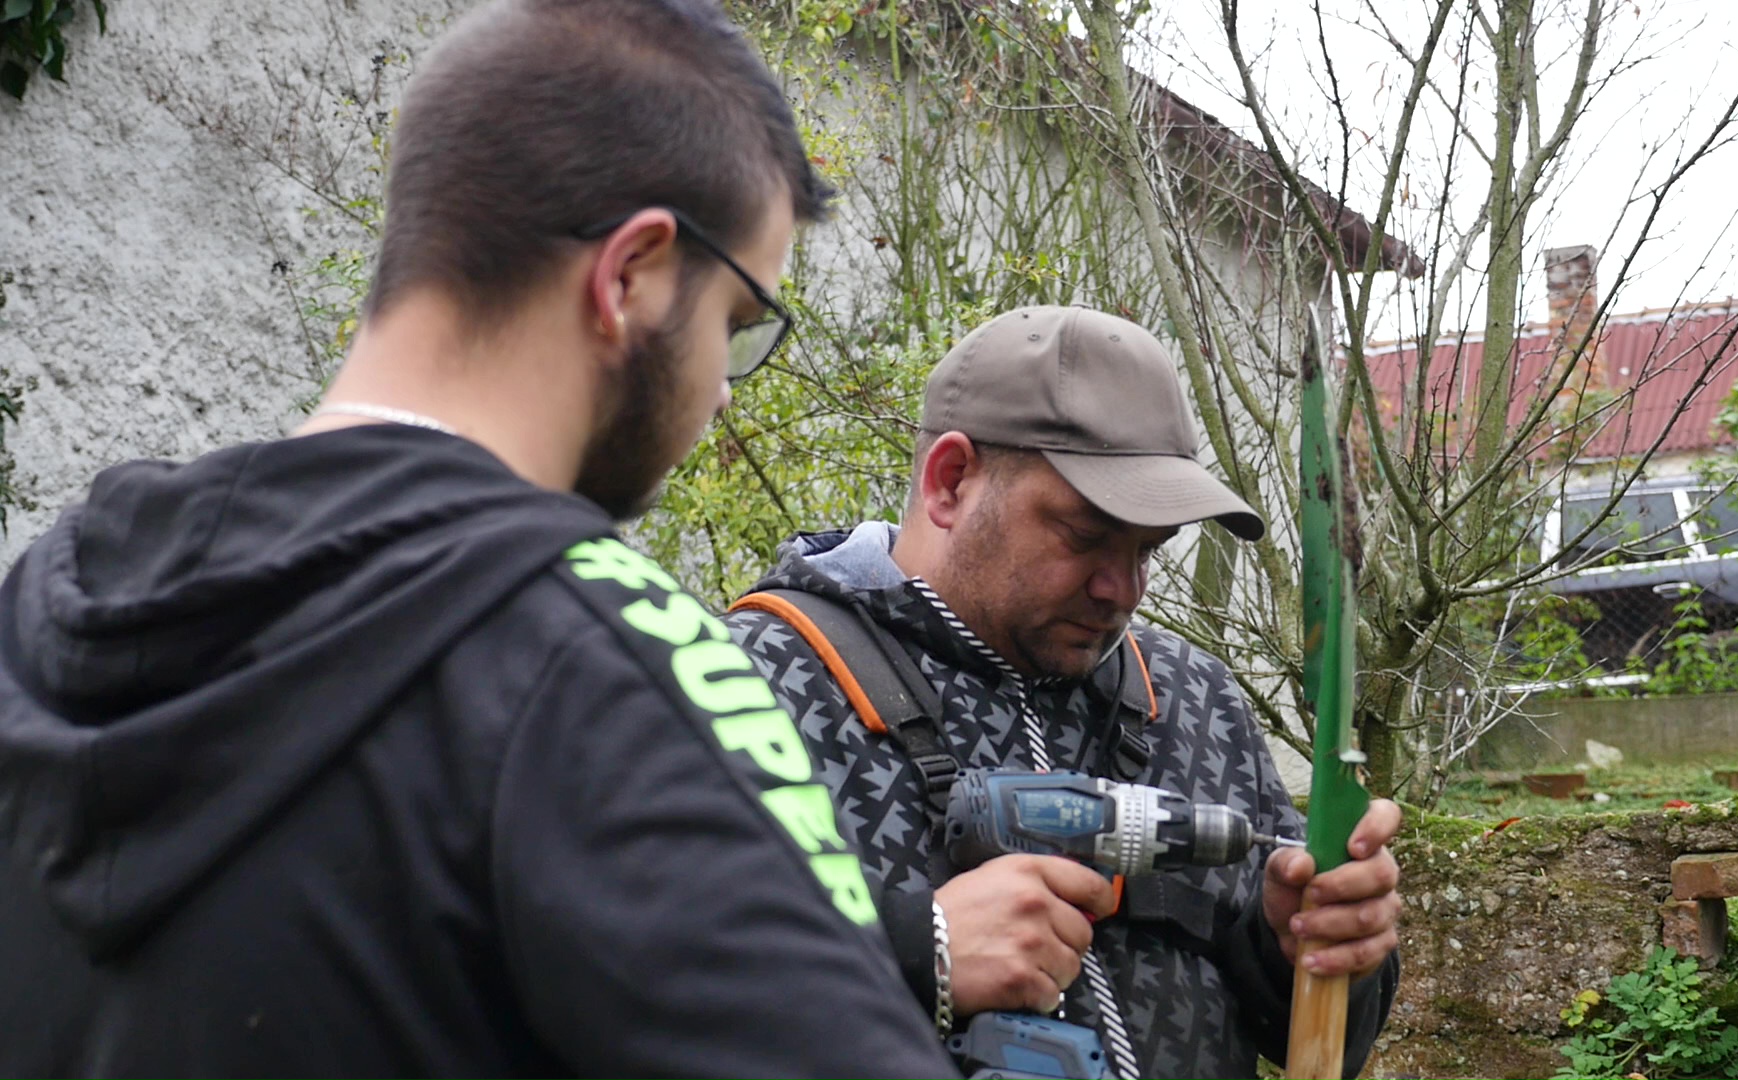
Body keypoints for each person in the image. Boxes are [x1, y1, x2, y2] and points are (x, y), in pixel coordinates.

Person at [0, 1, 960, 1077]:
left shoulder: (53, 590)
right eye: (736, 327)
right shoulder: (609, 664)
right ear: (633, 273)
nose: (722, 396)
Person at [725, 305, 1404, 1080]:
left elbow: (1314, 1040)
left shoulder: (1193, 697)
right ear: (950, 481)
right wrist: (916, 954)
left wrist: (1307, 953)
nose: (1123, 590)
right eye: (1083, 536)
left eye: (1148, 549)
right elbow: (638, 999)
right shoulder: (749, 685)